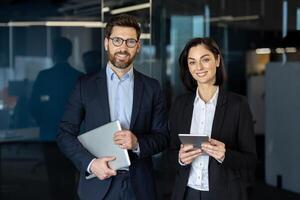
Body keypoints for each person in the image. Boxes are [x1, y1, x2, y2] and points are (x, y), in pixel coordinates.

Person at [57, 14, 169, 200]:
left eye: (130, 42)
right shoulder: (85, 85)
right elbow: (64, 134)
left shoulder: (152, 87)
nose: (123, 47)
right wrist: (91, 164)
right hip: (97, 184)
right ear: (106, 43)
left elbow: (163, 137)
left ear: (138, 47)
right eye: (117, 40)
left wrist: (138, 143)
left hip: (139, 186)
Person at [169, 37, 257, 200]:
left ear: (217, 60)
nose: (199, 67)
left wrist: (225, 155)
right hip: (186, 193)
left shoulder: (238, 105)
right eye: (192, 62)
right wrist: (180, 159)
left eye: (205, 59)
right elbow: (170, 153)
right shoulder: (180, 105)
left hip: (224, 193)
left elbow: (251, 160)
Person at [29, 37, 82, 200]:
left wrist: (43, 123)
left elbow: (33, 106)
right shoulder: (79, 77)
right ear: (70, 53)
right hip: (74, 138)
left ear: (53, 53)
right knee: (70, 178)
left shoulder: (44, 76)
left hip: (48, 136)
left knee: (53, 179)